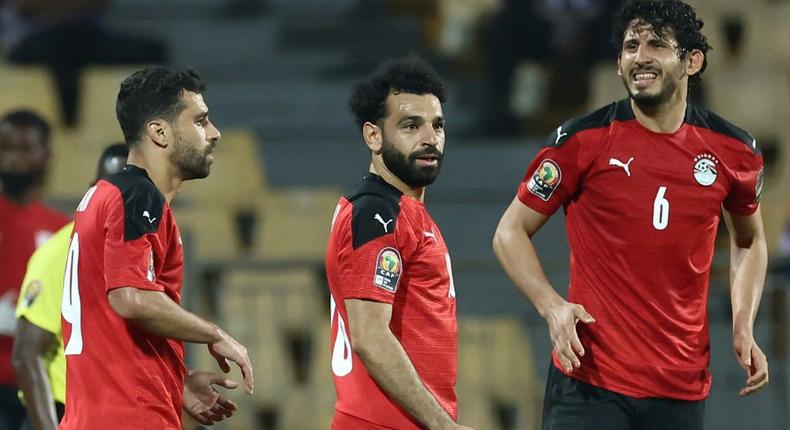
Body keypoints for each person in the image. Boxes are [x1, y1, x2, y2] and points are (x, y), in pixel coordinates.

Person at [492, 1, 768, 429]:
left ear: (691, 61)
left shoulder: (734, 151)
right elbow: (509, 231)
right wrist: (552, 308)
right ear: (618, 64)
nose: (640, 56)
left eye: (657, 44)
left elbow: (749, 240)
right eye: (630, 46)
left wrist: (743, 325)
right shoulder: (580, 141)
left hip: (680, 388)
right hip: (589, 383)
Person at [58, 66, 253, 429]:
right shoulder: (138, 195)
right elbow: (130, 298)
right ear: (159, 132)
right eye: (200, 121)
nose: (214, 133)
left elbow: (110, 321)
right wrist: (215, 333)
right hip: (128, 417)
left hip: (93, 413)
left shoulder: (105, 195)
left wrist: (176, 378)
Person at [325, 56, 474, 430]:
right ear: (373, 135)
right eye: (411, 125)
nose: (430, 139)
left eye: (437, 126)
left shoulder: (400, 210)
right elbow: (370, 335)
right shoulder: (376, 213)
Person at [0, 110, 70, 429]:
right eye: (5, 147)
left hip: (41, 387)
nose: (13, 158)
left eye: (24, 148)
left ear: (47, 155)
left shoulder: (64, 231)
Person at [0, 0, 168, 127]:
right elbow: (23, 5)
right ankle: (68, 124)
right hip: (32, 40)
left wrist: (57, 9)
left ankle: (161, 119)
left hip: (85, 35)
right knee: (60, 47)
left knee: (154, 49)